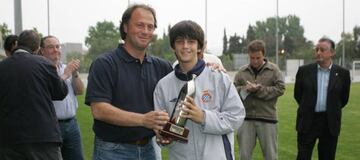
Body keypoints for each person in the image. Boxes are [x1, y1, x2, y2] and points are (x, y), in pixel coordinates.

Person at [85, 4, 172, 160]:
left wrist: (211, 68)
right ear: (125, 27)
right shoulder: (104, 64)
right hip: (112, 151)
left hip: (148, 150)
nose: (145, 31)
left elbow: (178, 94)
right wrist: (144, 120)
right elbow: (99, 110)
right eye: (139, 25)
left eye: (150, 27)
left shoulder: (162, 66)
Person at [154, 20, 245, 160]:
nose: (185, 46)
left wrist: (203, 117)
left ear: (199, 47)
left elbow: (236, 116)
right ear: (173, 46)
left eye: (191, 41)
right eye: (179, 41)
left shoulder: (218, 78)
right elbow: (161, 128)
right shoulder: (163, 86)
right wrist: (163, 138)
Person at [0, 30, 68, 160]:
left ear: (18, 44)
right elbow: (60, 92)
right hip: (42, 138)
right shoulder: (44, 64)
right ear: (37, 48)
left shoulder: (2, 67)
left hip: (8, 140)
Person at [294, 37, 351, 160]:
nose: (318, 52)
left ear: (332, 53)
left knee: (327, 157)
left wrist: (330, 108)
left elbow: (344, 98)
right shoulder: (304, 71)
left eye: (322, 50)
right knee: (303, 156)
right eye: (317, 49)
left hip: (329, 123)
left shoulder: (343, 74)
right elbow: (298, 95)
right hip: (308, 121)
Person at [234, 39, 285, 160]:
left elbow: (281, 89)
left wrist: (259, 90)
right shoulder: (241, 72)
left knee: (271, 156)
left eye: (258, 58)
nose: (255, 61)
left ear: (264, 55)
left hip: (268, 119)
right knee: (244, 156)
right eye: (252, 58)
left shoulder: (274, 70)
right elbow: (232, 92)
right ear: (248, 56)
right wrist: (245, 89)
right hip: (246, 120)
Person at [40, 35, 85, 160]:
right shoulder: (40, 70)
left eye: (57, 46)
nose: (56, 50)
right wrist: (65, 74)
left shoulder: (66, 68)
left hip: (72, 124)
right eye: (50, 47)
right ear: (42, 51)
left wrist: (74, 74)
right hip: (51, 126)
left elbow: (80, 91)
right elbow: (48, 93)